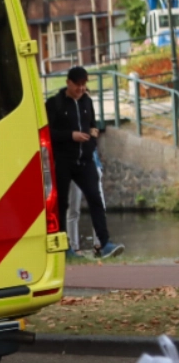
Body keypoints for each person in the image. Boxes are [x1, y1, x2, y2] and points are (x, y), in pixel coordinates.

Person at [46, 66, 123, 259]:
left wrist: (93, 135)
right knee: (62, 204)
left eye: (84, 84)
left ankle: (104, 244)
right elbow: (48, 134)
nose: (81, 89)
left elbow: (92, 125)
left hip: (85, 160)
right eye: (77, 85)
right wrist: (70, 136)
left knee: (96, 200)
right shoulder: (55, 104)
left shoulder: (87, 101)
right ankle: (65, 247)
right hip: (64, 161)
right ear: (68, 83)